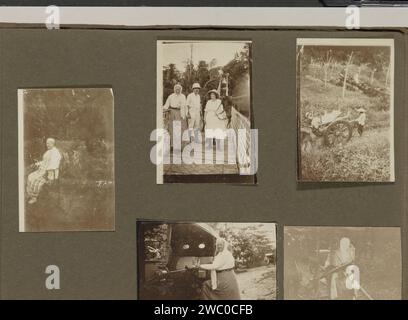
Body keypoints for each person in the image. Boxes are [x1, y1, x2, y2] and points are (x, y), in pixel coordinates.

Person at [26, 138, 62, 204]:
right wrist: (37, 164)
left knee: (35, 179)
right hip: (42, 170)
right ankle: (30, 194)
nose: (47, 145)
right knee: (30, 176)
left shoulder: (56, 153)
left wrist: (47, 175)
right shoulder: (49, 151)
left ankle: (34, 197)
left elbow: (54, 165)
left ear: (52, 144)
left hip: (49, 173)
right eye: (46, 143)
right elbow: (45, 161)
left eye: (48, 143)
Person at [163, 84, 187, 149]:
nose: (177, 90)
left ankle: (179, 146)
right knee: (171, 129)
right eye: (176, 89)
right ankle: (172, 145)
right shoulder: (171, 96)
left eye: (179, 89)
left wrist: (184, 115)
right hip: (172, 112)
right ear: (174, 89)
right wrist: (163, 109)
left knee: (179, 129)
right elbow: (166, 105)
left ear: (180, 90)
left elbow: (184, 106)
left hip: (180, 113)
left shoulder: (183, 96)